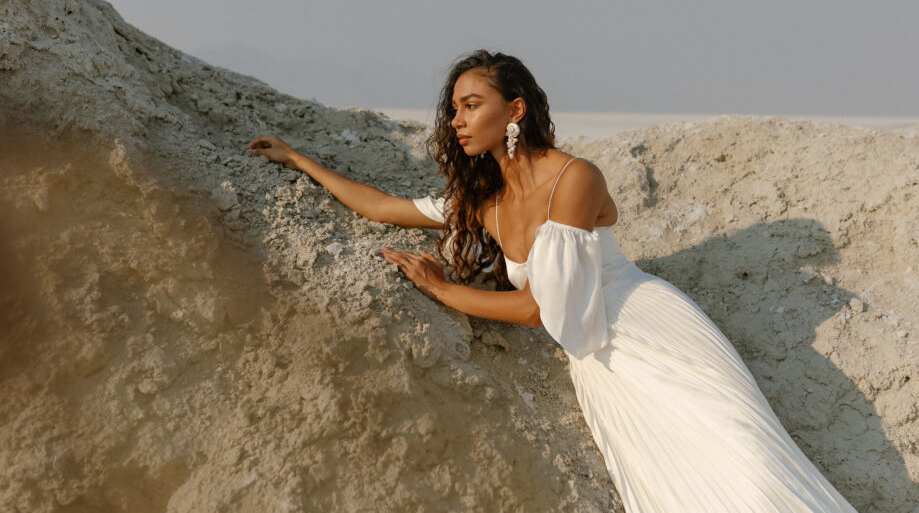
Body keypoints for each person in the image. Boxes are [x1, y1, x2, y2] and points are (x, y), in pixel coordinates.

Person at [246, 50, 857, 512]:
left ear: (515, 110)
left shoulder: (575, 178)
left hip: (647, 326)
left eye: (471, 105)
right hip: (597, 363)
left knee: (749, 461)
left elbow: (539, 308)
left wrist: (442, 290)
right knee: (673, 489)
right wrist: (297, 159)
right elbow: (384, 207)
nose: (456, 121)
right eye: (453, 109)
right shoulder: (482, 201)